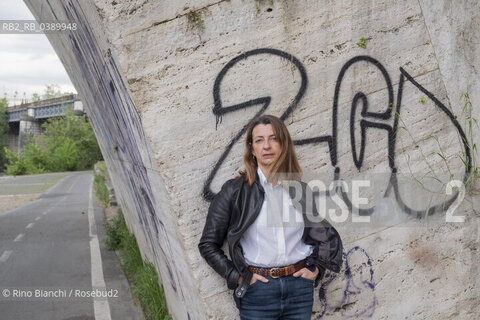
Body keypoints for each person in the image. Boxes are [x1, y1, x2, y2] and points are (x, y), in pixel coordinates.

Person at [199, 114, 343, 319]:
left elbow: (321, 237)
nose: (267, 146)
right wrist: (238, 277)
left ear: (283, 145)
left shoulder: (299, 190)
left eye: (274, 138)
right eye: (259, 140)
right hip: (258, 292)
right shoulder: (234, 191)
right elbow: (208, 244)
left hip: (299, 290)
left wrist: (317, 270)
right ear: (252, 149)